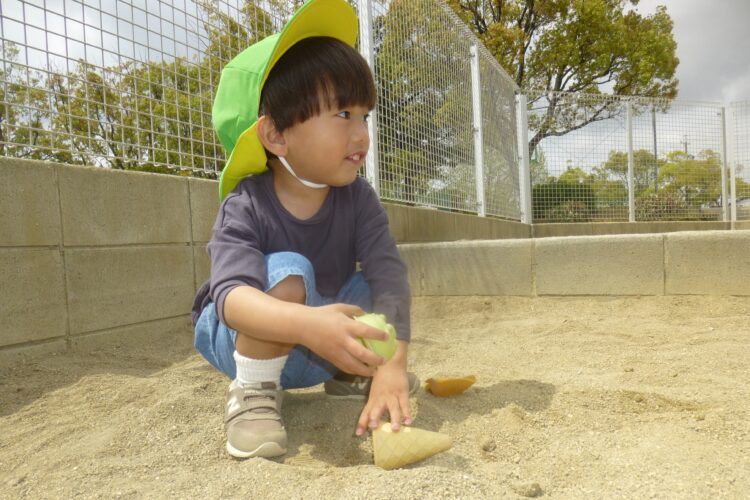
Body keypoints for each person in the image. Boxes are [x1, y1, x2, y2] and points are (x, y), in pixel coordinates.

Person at [191, 0, 416, 459]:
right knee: (288, 271)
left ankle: (350, 371)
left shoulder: (359, 198)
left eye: (364, 115)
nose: (361, 134)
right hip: (242, 342)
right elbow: (231, 298)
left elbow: (388, 274)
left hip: (323, 350)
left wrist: (393, 363)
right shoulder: (246, 204)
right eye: (342, 115)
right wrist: (308, 324)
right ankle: (253, 391)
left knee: (372, 286)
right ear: (276, 135)